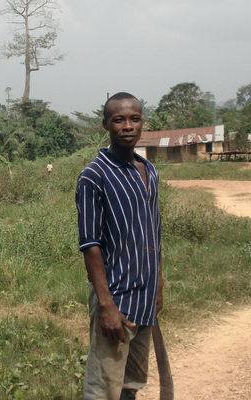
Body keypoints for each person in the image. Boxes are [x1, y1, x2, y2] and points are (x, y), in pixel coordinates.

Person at [76, 92, 163, 400]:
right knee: (103, 390)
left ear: (143, 123)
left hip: (144, 299)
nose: (128, 126)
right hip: (116, 300)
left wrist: (159, 286)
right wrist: (106, 306)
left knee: (131, 385)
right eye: (119, 120)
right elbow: (91, 245)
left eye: (134, 119)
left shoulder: (148, 171)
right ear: (106, 125)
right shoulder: (94, 176)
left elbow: (154, 232)